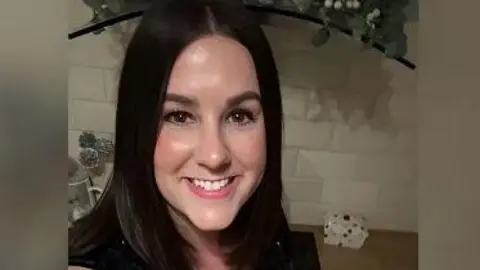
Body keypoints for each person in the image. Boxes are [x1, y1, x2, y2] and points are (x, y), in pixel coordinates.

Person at [69, 0, 312, 269]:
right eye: (179, 116)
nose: (215, 155)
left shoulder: (266, 228)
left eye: (239, 116)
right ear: (137, 128)